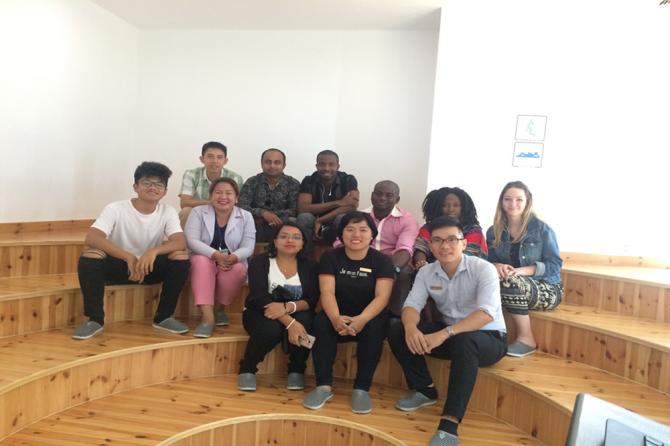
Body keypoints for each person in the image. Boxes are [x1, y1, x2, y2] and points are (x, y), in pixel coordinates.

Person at [388, 217, 507, 446]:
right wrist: (411, 328)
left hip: (489, 338)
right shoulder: (427, 272)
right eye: (438, 240)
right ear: (430, 246)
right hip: (452, 335)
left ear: (464, 243)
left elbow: (486, 314)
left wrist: (443, 334)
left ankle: (449, 424)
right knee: (396, 328)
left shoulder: (483, 269)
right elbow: (411, 306)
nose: (445, 246)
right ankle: (425, 390)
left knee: (465, 341)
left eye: (452, 239)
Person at [73, 162, 190, 340]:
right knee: (91, 254)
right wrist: (128, 257)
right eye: (146, 183)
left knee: (180, 256)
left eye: (158, 184)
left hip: (148, 267)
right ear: (135, 187)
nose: (153, 187)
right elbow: (92, 237)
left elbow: (180, 242)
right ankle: (95, 319)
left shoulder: (167, 211)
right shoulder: (116, 208)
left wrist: (153, 252)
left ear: (165, 191)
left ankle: (163, 317)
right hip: (120, 267)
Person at [302, 211, 394, 414]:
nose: (356, 235)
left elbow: (382, 297)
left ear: (372, 234)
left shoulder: (382, 261)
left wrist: (362, 319)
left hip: (369, 314)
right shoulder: (330, 257)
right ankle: (323, 386)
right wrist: (335, 318)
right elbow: (327, 292)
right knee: (321, 323)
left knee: (375, 328)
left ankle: (361, 389)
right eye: (350, 229)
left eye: (363, 230)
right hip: (337, 312)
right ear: (341, 234)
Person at [237, 223, 318, 391]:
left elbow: (312, 299)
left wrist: (287, 308)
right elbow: (259, 297)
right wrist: (290, 323)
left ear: (303, 243)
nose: (290, 240)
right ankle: (247, 368)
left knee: (306, 321)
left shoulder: (311, 266)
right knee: (271, 328)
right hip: (259, 311)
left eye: (296, 237)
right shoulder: (260, 261)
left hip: (296, 310)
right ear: (275, 241)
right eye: (284, 236)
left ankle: (296, 369)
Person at [486, 181, 563, 357]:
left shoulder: (542, 229)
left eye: (519, 199)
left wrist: (522, 271)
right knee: (485, 279)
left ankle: (526, 339)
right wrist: (497, 265)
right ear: (501, 202)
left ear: (527, 202)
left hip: (548, 289)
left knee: (510, 282)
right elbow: (487, 261)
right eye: (508, 199)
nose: (513, 204)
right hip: (511, 285)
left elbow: (555, 265)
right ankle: (486, 336)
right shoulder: (493, 231)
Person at [184, 178, 256, 338]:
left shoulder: (246, 216)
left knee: (238, 269)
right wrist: (215, 255)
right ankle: (207, 319)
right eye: (218, 192)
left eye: (229, 193)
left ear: (236, 198)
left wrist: (234, 257)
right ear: (211, 196)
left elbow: (248, 246)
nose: (223, 197)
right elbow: (191, 240)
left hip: (230, 261)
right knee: (201, 262)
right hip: (204, 258)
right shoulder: (198, 212)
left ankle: (219, 309)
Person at [335, 180, 419, 316]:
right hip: (361, 258)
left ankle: (395, 316)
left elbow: (405, 250)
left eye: (389, 195)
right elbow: (340, 242)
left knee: (404, 272)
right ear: (372, 195)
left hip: (391, 262)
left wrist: (390, 270)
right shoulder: (360, 216)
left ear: (397, 199)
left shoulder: (407, 220)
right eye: (378, 194)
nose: (382, 198)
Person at [296, 150, 359, 251]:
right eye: (322, 164)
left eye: (331, 164)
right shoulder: (309, 180)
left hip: (333, 218)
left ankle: (341, 255)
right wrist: (338, 203)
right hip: (314, 218)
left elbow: (352, 205)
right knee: (304, 217)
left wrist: (321, 220)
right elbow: (302, 208)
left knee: (343, 218)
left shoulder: (348, 179)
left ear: (338, 166)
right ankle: (305, 254)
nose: (326, 168)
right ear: (316, 166)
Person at [413, 187, 487, 270]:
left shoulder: (473, 231)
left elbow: (468, 258)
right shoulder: (428, 228)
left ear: (463, 208)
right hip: (429, 270)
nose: (451, 209)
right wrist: (422, 265)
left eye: (456, 205)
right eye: (444, 205)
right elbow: (420, 249)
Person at [238, 148, 301, 242]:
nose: (272, 166)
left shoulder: (293, 183)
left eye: (277, 162)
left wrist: (272, 217)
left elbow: (294, 210)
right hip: (257, 221)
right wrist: (262, 213)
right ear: (261, 164)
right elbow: (242, 206)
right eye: (268, 162)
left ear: (284, 165)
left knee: (294, 221)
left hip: (282, 221)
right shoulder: (252, 182)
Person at [178, 141, 244, 227]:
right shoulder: (191, 174)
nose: (215, 161)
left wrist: (218, 205)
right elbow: (184, 202)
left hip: (224, 212)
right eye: (210, 156)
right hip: (199, 212)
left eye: (219, 157)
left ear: (225, 161)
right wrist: (212, 202)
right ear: (202, 159)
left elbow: (237, 203)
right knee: (186, 211)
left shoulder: (235, 178)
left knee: (239, 213)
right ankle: (184, 236)